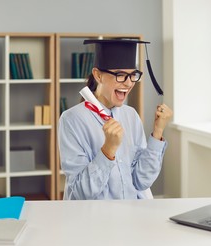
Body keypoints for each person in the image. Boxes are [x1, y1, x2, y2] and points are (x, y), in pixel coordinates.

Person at [58, 39, 172, 200]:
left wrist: (158, 132)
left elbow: (142, 181)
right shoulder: (71, 119)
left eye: (133, 75)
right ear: (98, 75)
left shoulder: (131, 115)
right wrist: (108, 150)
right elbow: (81, 192)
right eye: (120, 75)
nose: (128, 83)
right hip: (93, 218)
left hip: (131, 213)